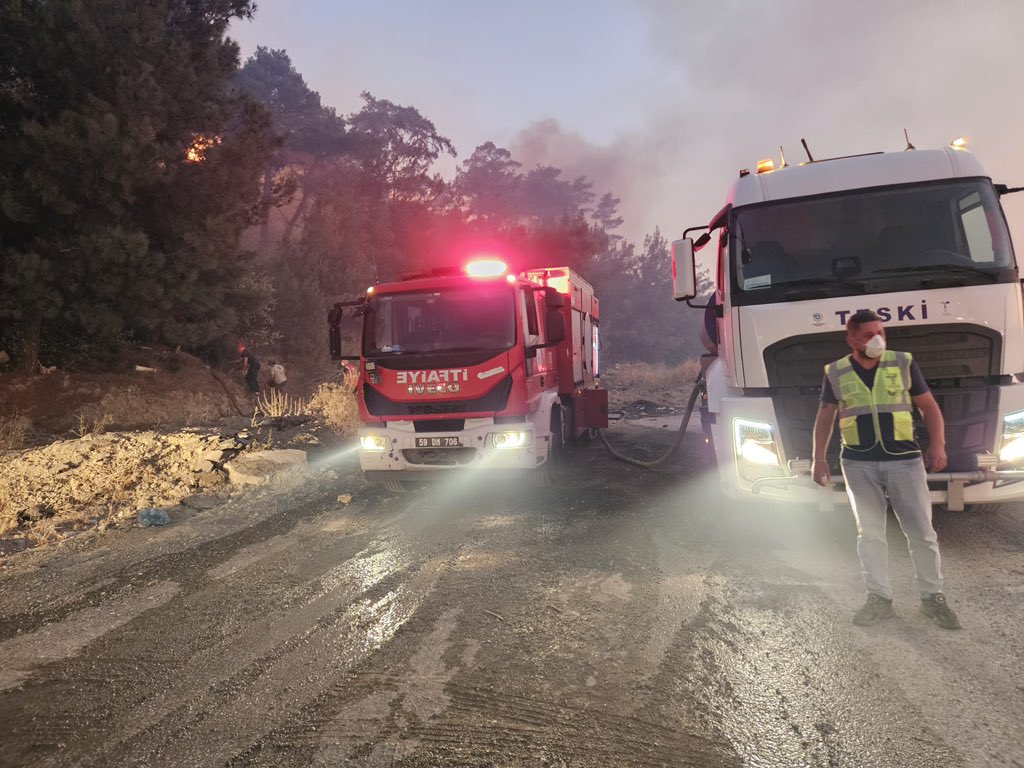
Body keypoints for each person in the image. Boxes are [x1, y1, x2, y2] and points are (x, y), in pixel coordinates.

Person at [812, 310, 961, 629]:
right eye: (868, 335)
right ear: (851, 338)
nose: (877, 339)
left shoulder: (902, 362)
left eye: (880, 333)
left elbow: (928, 406)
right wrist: (818, 458)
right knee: (870, 535)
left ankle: (932, 598)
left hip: (904, 461)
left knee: (922, 533)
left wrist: (938, 445)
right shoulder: (836, 371)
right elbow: (825, 416)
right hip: (858, 463)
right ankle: (879, 599)